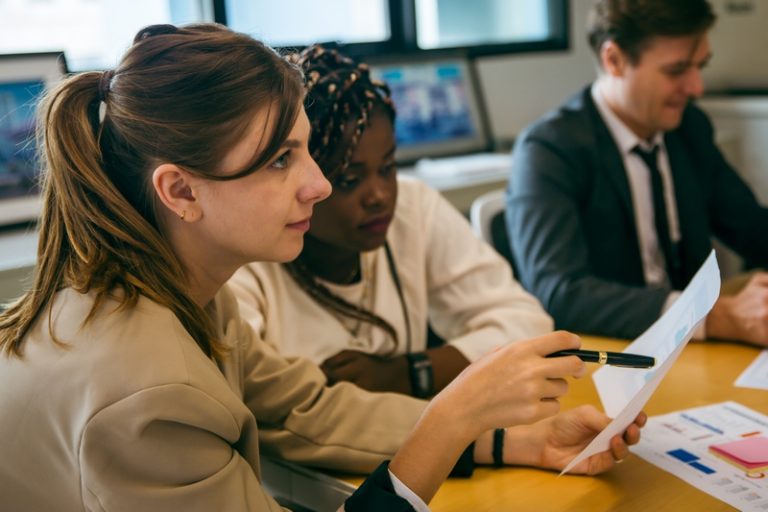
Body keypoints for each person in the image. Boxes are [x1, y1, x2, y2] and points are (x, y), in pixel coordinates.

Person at [0, 24, 644, 512]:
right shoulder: (142, 398)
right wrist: (451, 414)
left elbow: (307, 409)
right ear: (181, 191)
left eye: (306, 151)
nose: (318, 185)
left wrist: (509, 439)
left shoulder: (178, 287)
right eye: (280, 160)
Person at [229, 45, 553, 398]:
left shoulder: (412, 208)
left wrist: (411, 372)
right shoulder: (247, 256)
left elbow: (528, 323)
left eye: (387, 168)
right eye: (350, 180)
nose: (379, 195)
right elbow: (262, 404)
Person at [507, 0, 768, 343]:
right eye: (676, 70)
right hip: (612, 358)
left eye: (699, 67)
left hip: (692, 354)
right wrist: (712, 317)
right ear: (613, 59)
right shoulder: (550, 149)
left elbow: (751, 227)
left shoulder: (687, 126)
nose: (696, 88)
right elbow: (559, 292)